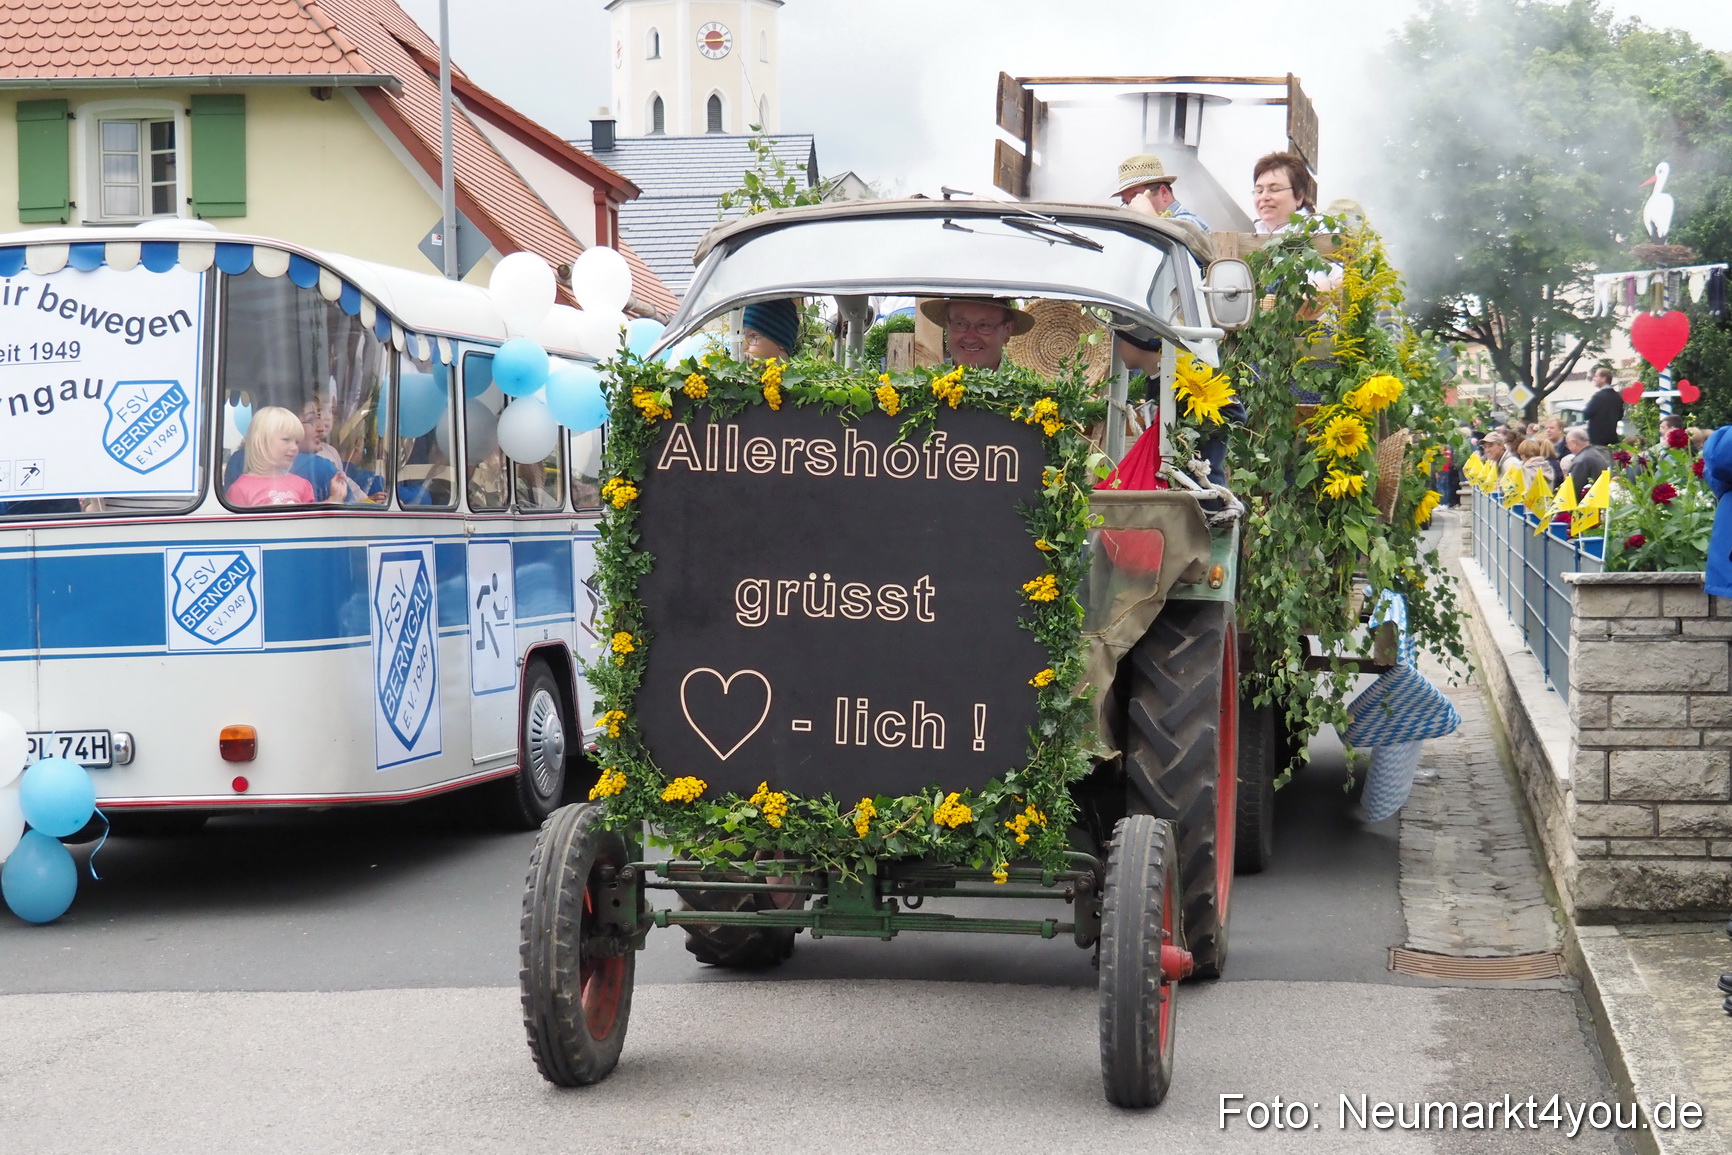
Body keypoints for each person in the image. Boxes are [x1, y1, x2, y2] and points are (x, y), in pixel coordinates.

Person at [227, 407, 341, 507]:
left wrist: (335, 499)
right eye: (286, 440)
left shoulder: (303, 485)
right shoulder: (240, 489)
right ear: (262, 442)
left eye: (297, 442)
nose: (294, 448)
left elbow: (309, 522)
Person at [916, 297, 1034, 370]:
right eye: (960, 324)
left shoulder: (1030, 398)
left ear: (1007, 330)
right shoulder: (921, 392)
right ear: (947, 325)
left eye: (984, 326)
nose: (970, 338)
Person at [1112, 154, 1209, 232]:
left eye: (1137, 198)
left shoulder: (1188, 222)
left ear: (1163, 193)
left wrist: (1149, 218)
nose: (1132, 207)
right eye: (1127, 203)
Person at [1251, 151, 1318, 235]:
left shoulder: (1320, 233)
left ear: (1299, 196)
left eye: (1274, 189)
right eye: (1259, 191)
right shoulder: (1248, 239)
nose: (1264, 197)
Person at [1564, 426, 1611, 494]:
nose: (1567, 447)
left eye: (1567, 444)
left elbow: (1572, 490)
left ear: (1574, 443)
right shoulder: (1597, 454)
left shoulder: (1580, 461)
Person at [1583, 367, 1624, 447]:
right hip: (1612, 439)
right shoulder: (1617, 397)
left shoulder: (1598, 397)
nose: (1594, 379)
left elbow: (1586, 414)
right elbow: (1620, 416)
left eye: (1596, 376)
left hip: (1597, 441)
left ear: (1603, 379)